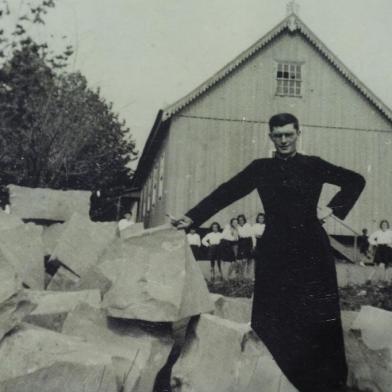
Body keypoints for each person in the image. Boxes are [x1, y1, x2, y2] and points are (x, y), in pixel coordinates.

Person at [172, 113, 365, 392]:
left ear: (299, 133)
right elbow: (226, 192)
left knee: (319, 313)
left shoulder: (314, 165)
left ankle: (326, 384)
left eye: (289, 134)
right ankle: (273, 379)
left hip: (312, 247)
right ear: (270, 136)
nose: (284, 140)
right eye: (278, 135)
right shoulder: (260, 168)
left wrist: (332, 208)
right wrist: (192, 217)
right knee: (272, 312)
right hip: (275, 247)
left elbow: (355, 180)